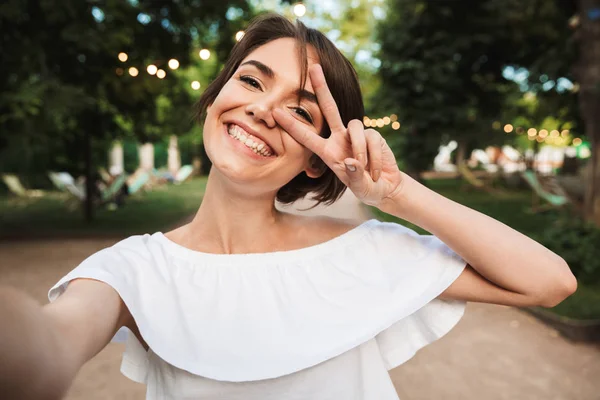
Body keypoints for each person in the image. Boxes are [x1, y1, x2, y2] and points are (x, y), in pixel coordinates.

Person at [0, 13, 577, 400]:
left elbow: (549, 283)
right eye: (252, 82)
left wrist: (397, 195)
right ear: (217, 97)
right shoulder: (129, 271)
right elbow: (47, 351)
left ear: (314, 160)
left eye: (301, 112)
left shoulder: (366, 251)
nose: (264, 111)